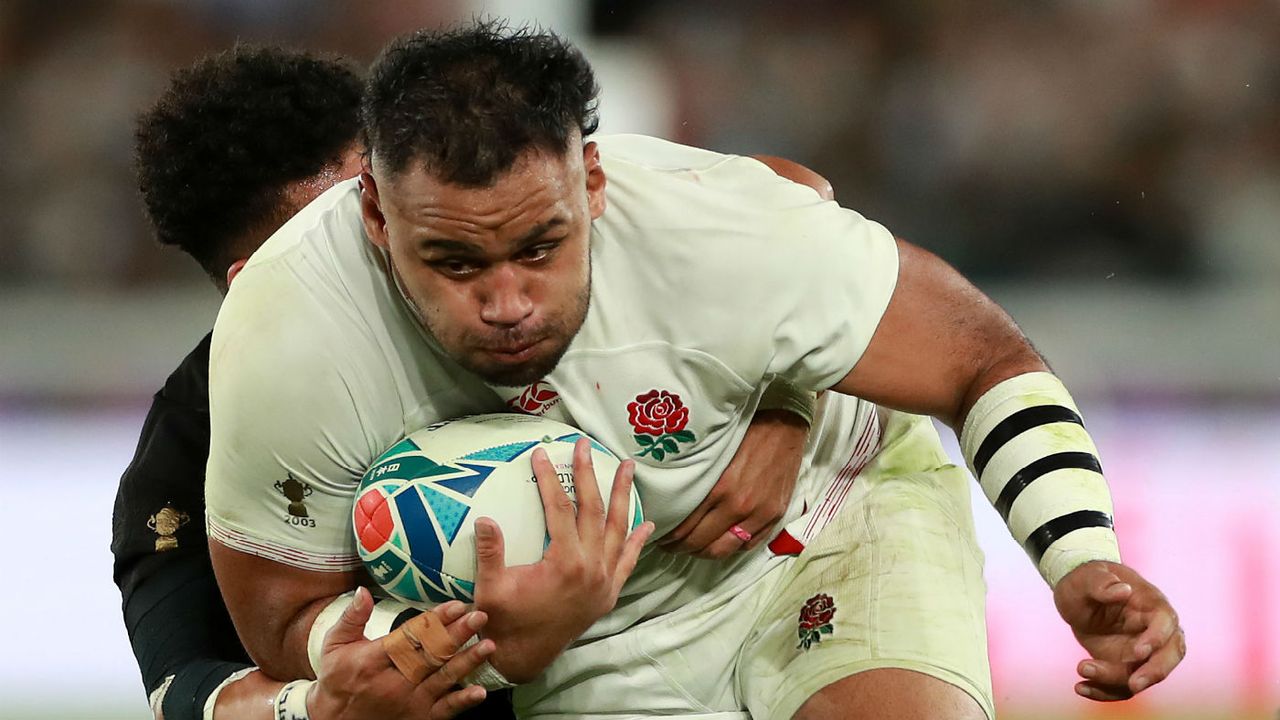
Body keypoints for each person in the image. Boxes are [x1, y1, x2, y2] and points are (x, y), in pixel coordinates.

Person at [204, 22, 1185, 720]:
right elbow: (282, 614)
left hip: (827, 517)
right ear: (375, 216)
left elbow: (979, 358)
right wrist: (475, 642)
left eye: (541, 247)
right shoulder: (287, 327)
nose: (506, 301)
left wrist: (1074, 552)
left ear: (591, 179)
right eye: (455, 264)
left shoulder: (714, 226)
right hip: (593, 637)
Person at [114, 42, 831, 720]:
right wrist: (314, 707)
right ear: (250, 285)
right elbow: (184, 689)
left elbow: (797, 202)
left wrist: (784, 403)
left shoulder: (515, 297)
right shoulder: (190, 445)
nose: (372, 257)